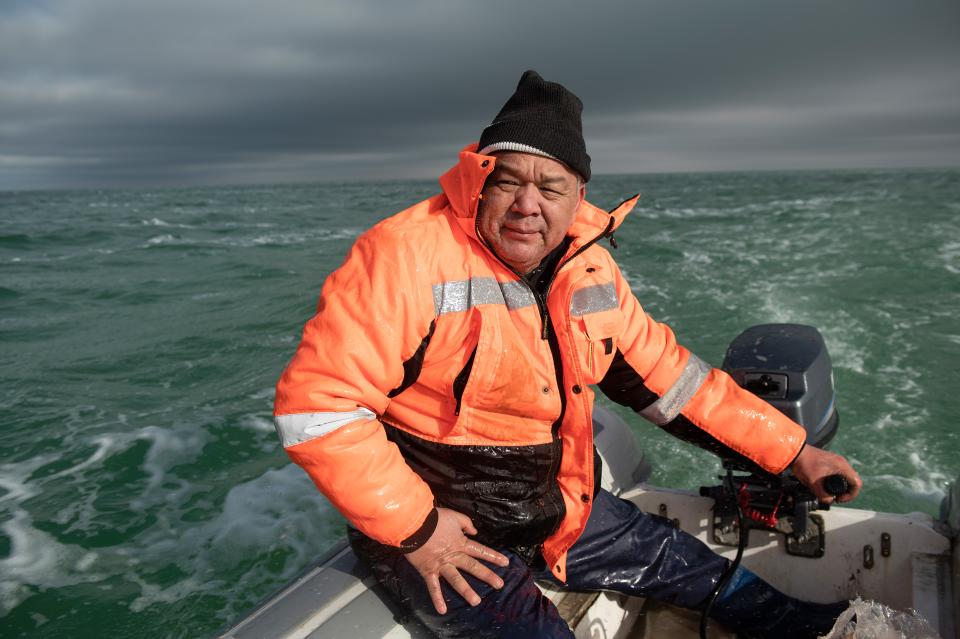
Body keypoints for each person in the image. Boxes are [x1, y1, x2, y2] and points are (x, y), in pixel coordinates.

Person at [273, 70, 863, 638]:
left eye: (550, 186)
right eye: (508, 181)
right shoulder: (403, 255)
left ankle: (827, 633)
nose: (528, 203)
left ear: (577, 195)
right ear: (478, 180)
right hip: (445, 526)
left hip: (553, 508)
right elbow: (319, 406)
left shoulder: (590, 269)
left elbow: (671, 381)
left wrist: (793, 452)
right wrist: (420, 531)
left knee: (707, 574)